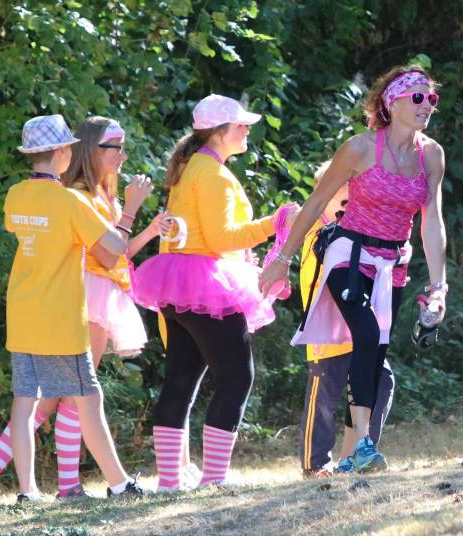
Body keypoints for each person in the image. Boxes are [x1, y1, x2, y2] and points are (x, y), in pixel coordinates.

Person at [260, 65, 448, 473]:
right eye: (417, 97)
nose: (426, 105)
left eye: (431, 98)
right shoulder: (360, 148)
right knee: (365, 333)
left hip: (393, 263)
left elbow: (432, 221)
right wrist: (282, 260)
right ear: (390, 101)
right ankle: (363, 444)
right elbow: (315, 204)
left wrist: (439, 286)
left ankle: (351, 455)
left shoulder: (430, 154)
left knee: (375, 351)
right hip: (349, 253)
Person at [0, 115, 146, 508]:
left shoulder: (15, 196)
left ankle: (26, 491)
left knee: (25, 402)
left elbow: (22, 230)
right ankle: (120, 485)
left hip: (24, 314)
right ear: (62, 152)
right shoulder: (70, 201)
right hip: (60, 317)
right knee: (88, 399)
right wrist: (130, 211)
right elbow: (114, 251)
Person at [133, 94, 283, 490]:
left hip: (177, 283)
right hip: (204, 284)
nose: (247, 130)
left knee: (181, 377)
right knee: (237, 376)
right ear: (219, 133)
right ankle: (213, 481)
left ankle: (170, 481)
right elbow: (219, 240)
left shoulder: (191, 167)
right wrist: (275, 221)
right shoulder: (212, 174)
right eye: (241, 125)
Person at [295, 162, 395, 478]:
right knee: (324, 395)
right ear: (324, 194)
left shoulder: (355, 232)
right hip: (328, 331)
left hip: (357, 328)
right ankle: (314, 464)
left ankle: (358, 452)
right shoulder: (318, 233)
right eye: (345, 192)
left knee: (382, 381)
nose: (352, 198)